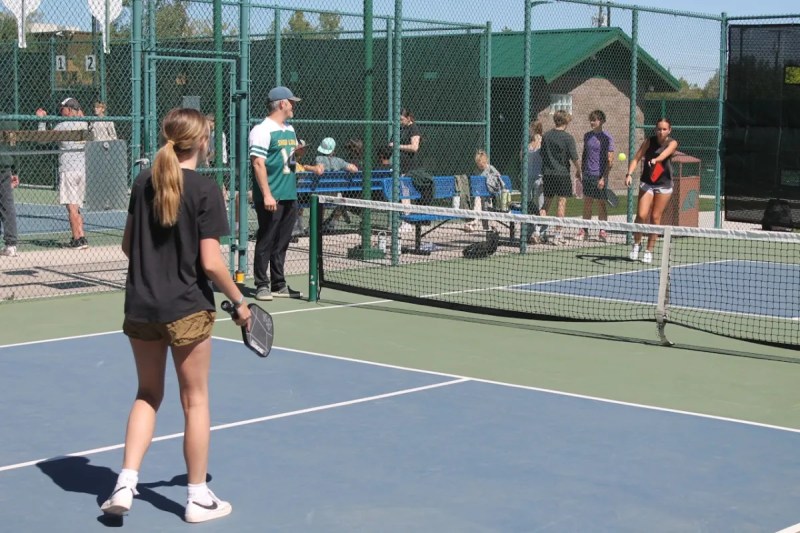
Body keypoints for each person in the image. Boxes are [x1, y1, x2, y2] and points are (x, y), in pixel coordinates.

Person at [101, 107, 251, 523]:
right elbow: (211, 263)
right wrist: (240, 303)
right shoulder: (205, 190)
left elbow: (128, 246)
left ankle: (125, 484)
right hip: (186, 309)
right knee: (195, 401)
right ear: (203, 142)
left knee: (147, 395)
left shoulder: (142, 181)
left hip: (141, 307)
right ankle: (197, 497)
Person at [249, 86, 305, 301]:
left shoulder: (290, 129)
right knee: (266, 240)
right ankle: (261, 284)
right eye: (292, 103)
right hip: (272, 196)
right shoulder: (261, 130)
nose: (294, 106)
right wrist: (267, 195)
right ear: (282, 104)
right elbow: (258, 164)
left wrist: (296, 155)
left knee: (282, 241)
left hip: (290, 193)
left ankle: (278, 284)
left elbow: (289, 161)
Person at [35, 97, 89, 249]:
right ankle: (81, 236)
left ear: (70, 110)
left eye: (63, 108)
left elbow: (42, 140)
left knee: (71, 207)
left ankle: (77, 239)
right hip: (82, 170)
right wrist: (80, 112)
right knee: (77, 206)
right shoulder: (84, 123)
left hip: (68, 170)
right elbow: (83, 116)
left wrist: (42, 120)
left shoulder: (62, 125)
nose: (60, 111)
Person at [625, 117, 679, 264]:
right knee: (641, 215)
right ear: (655, 130)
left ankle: (649, 251)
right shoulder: (649, 141)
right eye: (659, 129)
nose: (661, 132)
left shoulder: (672, 143)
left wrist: (657, 160)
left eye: (664, 129)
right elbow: (636, 158)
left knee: (655, 218)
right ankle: (637, 244)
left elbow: (664, 154)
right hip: (647, 182)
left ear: (669, 130)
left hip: (664, 185)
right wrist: (629, 174)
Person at [540, 110, 581, 245]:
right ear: (565, 121)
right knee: (561, 203)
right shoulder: (568, 138)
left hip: (548, 174)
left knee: (546, 204)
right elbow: (574, 158)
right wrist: (579, 171)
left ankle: (537, 231)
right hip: (562, 174)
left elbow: (542, 154)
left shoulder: (546, 136)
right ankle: (558, 235)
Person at [578, 110, 614, 242]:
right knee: (587, 203)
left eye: (595, 120)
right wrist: (580, 171)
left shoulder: (607, 138)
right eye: (591, 120)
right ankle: (584, 230)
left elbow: (611, 160)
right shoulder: (587, 136)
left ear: (602, 121)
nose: (592, 122)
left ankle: (603, 230)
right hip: (587, 174)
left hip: (600, 176)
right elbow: (584, 154)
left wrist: (604, 178)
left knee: (601, 204)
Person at [464, 149, 505, 232]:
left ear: (486, 161)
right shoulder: (476, 171)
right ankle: (474, 223)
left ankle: (491, 226)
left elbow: (498, 176)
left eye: (482, 164)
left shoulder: (490, 168)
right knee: (477, 203)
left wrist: (490, 179)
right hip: (479, 194)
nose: (481, 166)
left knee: (487, 209)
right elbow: (475, 183)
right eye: (479, 164)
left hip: (488, 194)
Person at [0, 118, 19, 257]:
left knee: (7, 204)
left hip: (4, 168)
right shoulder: (9, 121)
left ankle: (11, 244)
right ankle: (11, 244)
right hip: (5, 167)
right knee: (7, 205)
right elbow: (14, 146)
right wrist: (15, 169)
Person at [389, 108, 421, 175]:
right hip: (399, 166)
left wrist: (397, 146)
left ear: (408, 118)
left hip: (410, 168)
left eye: (401, 119)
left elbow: (414, 147)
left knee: (405, 185)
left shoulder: (413, 128)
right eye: (398, 120)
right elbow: (391, 143)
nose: (400, 122)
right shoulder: (400, 129)